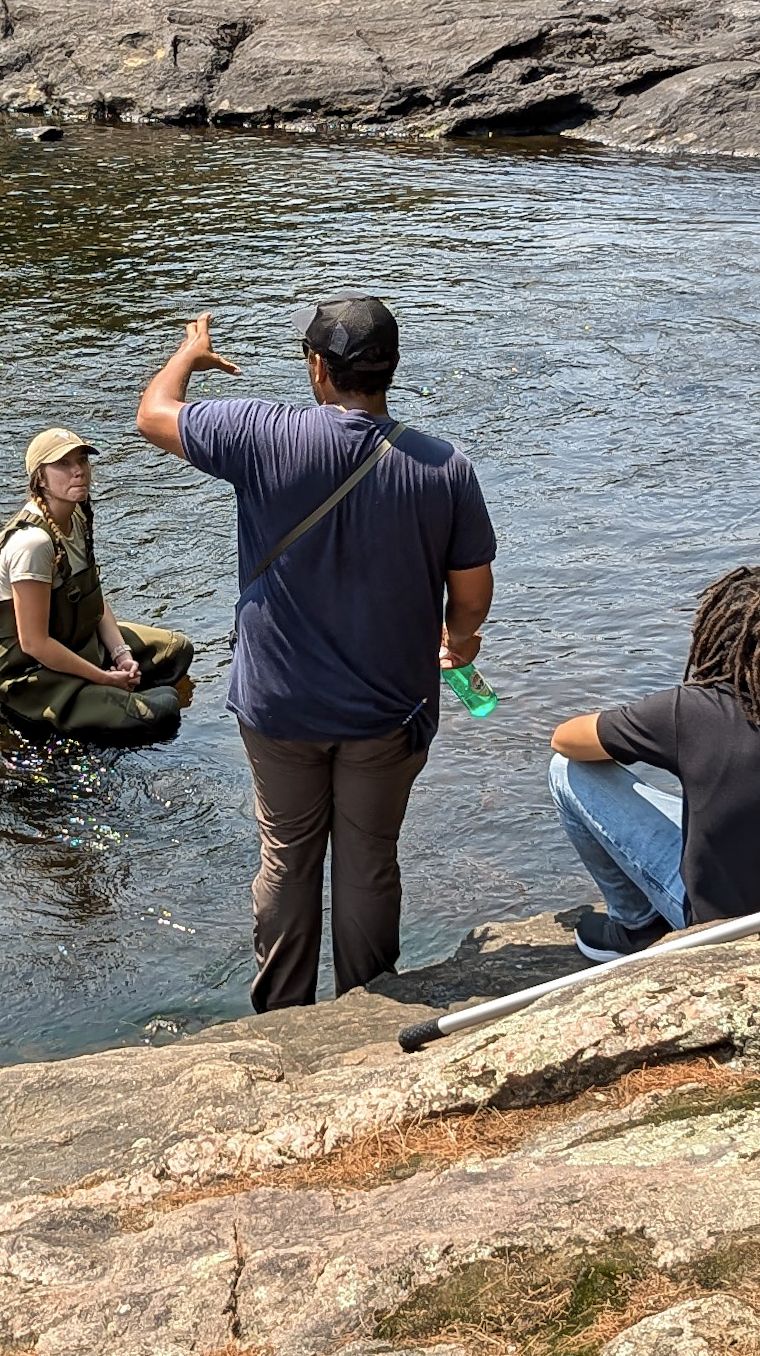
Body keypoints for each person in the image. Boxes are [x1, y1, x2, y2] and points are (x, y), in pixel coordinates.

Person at [137, 296, 496, 1011]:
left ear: (315, 367)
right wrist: (459, 640)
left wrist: (190, 352)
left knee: (286, 856)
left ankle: (281, 1017)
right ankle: (368, 1013)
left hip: (279, 705)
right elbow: (473, 591)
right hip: (387, 709)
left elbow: (153, 412)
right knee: (368, 859)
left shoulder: (259, 433)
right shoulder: (444, 467)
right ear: (390, 367)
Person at [548, 564, 760, 961]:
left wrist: (638, 727)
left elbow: (565, 738)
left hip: (729, 928)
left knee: (566, 771)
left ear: (714, 636)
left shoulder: (688, 711)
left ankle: (636, 925)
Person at [0, 426, 199, 739]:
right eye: (63, 464)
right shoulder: (32, 544)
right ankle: (85, 701)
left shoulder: (76, 516)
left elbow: (94, 601)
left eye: (83, 461)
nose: (78, 471)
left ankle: (111, 696)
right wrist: (103, 678)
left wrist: (122, 655)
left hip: (74, 639)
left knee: (177, 650)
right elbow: (34, 644)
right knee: (165, 708)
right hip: (34, 674)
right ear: (40, 478)